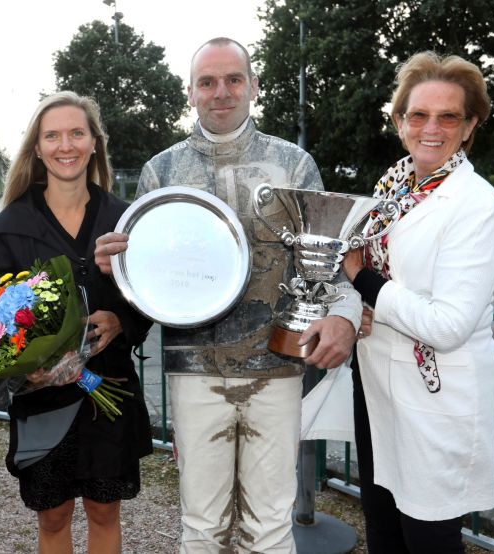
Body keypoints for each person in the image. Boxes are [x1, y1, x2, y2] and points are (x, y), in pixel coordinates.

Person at [95, 37, 362, 553]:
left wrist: (346, 316)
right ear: (190, 92)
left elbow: (331, 259)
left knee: (270, 526)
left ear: (254, 86)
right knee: (202, 525)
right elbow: (147, 278)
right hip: (194, 369)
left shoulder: (293, 163)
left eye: (233, 79)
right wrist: (119, 268)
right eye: (208, 82)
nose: (221, 92)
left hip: (277, 367)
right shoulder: (161, 171)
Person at [0, 91, 153, 554]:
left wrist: (121, 321)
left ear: (94, 143)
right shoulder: (13, 226)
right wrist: (27, 365)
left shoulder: (124, 220)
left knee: (104, 510)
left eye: (77, 133)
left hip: (107, 387)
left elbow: (149, 299)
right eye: (52, 136)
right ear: (37, 148)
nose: (65, 145)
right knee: (53, 516)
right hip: (43, 399)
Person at [342, 51, 494, 553]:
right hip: (376, 384)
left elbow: (447, 325)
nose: (431, 128)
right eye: (418, 114)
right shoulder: (391, 190)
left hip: (436, 398)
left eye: (448, 116)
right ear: (399, 122)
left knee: (429, 538)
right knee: (384, 532)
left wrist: (362, 279)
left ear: (470, 125)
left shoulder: (477, 204)